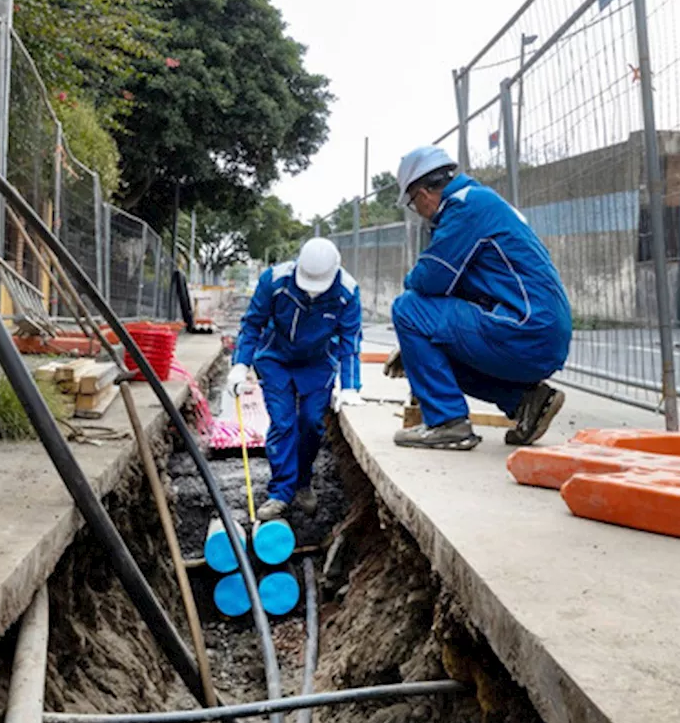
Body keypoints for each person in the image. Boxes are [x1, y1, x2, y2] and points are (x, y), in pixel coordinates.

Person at [386, 146, 571, 450]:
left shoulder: (464, 208)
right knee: (435, 348)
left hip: (525, 328)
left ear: (422, 194)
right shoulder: (480, 201)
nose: (417, 211)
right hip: (537, 332)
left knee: (407, 308)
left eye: (412, 203)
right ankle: (526, 401)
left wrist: (411, 313)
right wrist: (413, 351)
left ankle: (447, 422)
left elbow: (430, 277)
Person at [227, 238, 364, 521]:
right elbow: (253, 323)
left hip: (318, 362)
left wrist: (350, 386)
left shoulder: (347, 292)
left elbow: (351, 340)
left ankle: (303, 481)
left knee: (312, 422)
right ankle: (281, 492)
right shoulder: (275, 281)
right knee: (282, 422)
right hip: (276, 358)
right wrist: (240, 364)